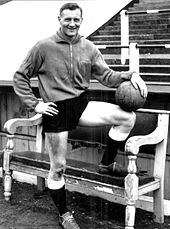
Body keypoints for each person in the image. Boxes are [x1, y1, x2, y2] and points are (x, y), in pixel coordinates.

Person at [13, 2, 147, 229]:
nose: (72, 23)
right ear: (59, 19)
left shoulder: (89, 47)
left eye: (76, 19)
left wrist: (132, 75)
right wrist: (35, 105)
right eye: (67, 19)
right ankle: (64, 213)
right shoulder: (43, 47)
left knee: (127, 118)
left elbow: (107, 76)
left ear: (81, 21)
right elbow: (20, 77)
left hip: (81, 105)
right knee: (58, 167)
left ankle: (107, 164)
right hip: (56, 109)